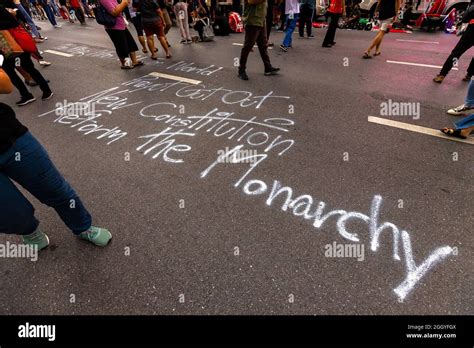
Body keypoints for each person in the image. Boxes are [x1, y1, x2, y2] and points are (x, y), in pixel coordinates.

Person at [0, 64, 112, 251]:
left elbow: (5, 85)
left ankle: (83, 227)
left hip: (11, 139)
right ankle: (30, 232)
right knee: (8, 209)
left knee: (55, 189)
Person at [0, 5, 53, 105]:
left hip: (15, 45)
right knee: (10, 72)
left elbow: (13, 22)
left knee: (28, 68)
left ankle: (45, 90)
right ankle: (26, 95)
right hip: (5, 50)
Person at [433, 0, 474, 83]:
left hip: (472, 32)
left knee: (456, 53)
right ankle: (469, 75)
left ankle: (442, 75)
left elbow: (466, 18)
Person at [238, 0, 279, 80]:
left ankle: (268, 67)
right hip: (253, 20)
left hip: (261, 20)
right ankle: (241, 69)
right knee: (248, 46)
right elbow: (251, 1)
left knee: (263, 45)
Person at [99, 0, 143, 68]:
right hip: (113, 26)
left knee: (130, 43)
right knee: (121, 46)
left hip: (121, 24)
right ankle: (124, 63)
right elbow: (114, 12)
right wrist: (123, 3)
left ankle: (134, 61)